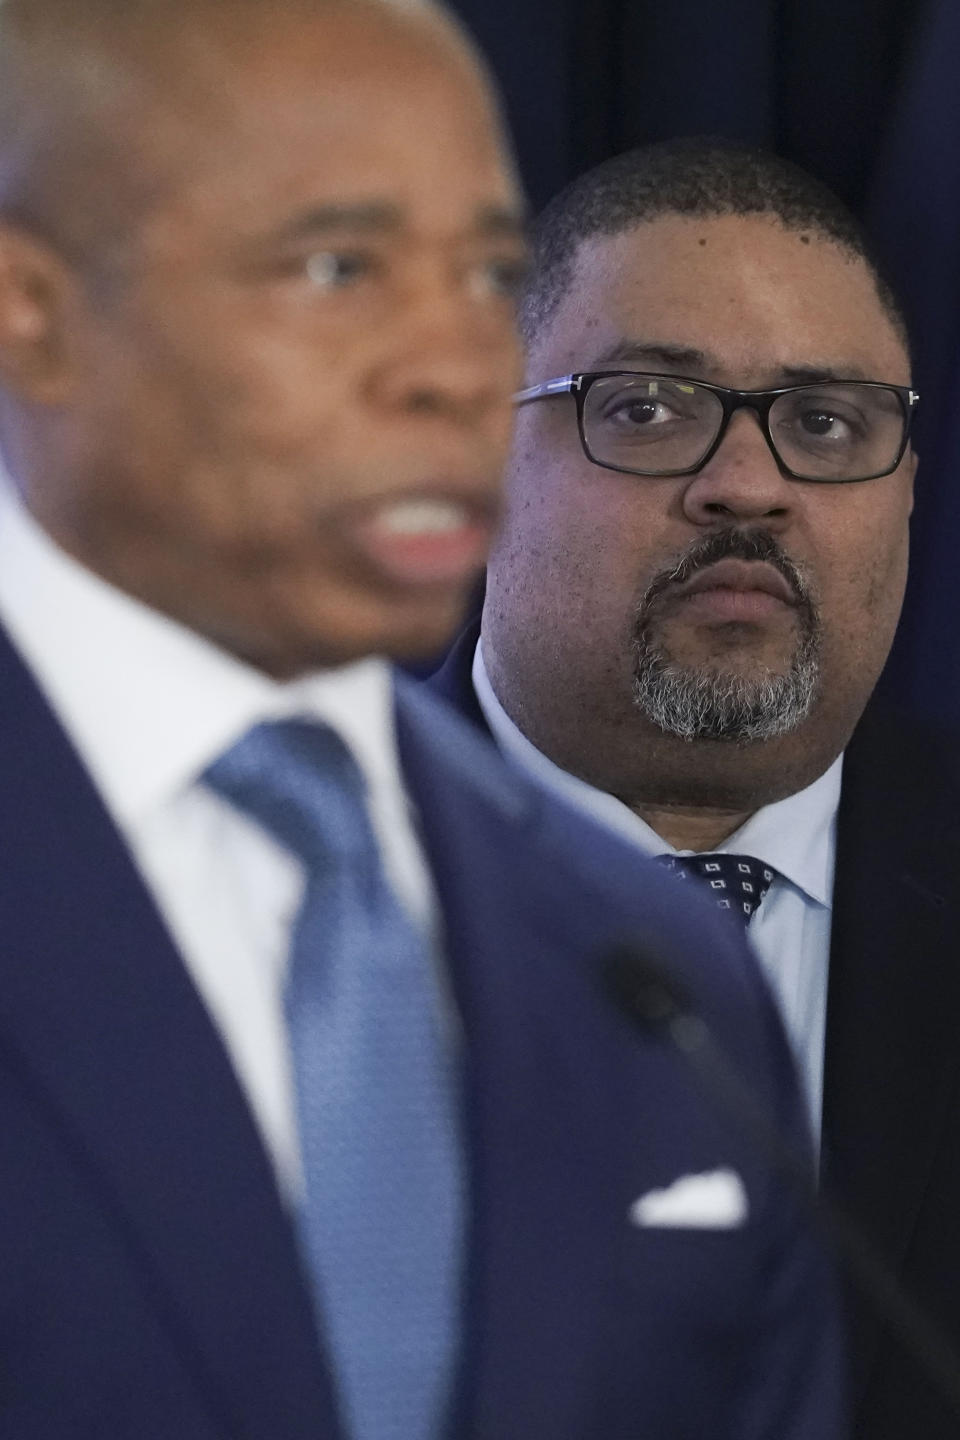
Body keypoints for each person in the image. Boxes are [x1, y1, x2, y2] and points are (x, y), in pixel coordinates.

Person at [0, 8, 842, 1440]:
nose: (456, 365)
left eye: (488, 276)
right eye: (340, 268)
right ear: (37, 315)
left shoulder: (652, 965)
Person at [430, 136, 960, 1439]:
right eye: (648, 409)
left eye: (826, 424)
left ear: (907, 497)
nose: (749, 486)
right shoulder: (185, 892)